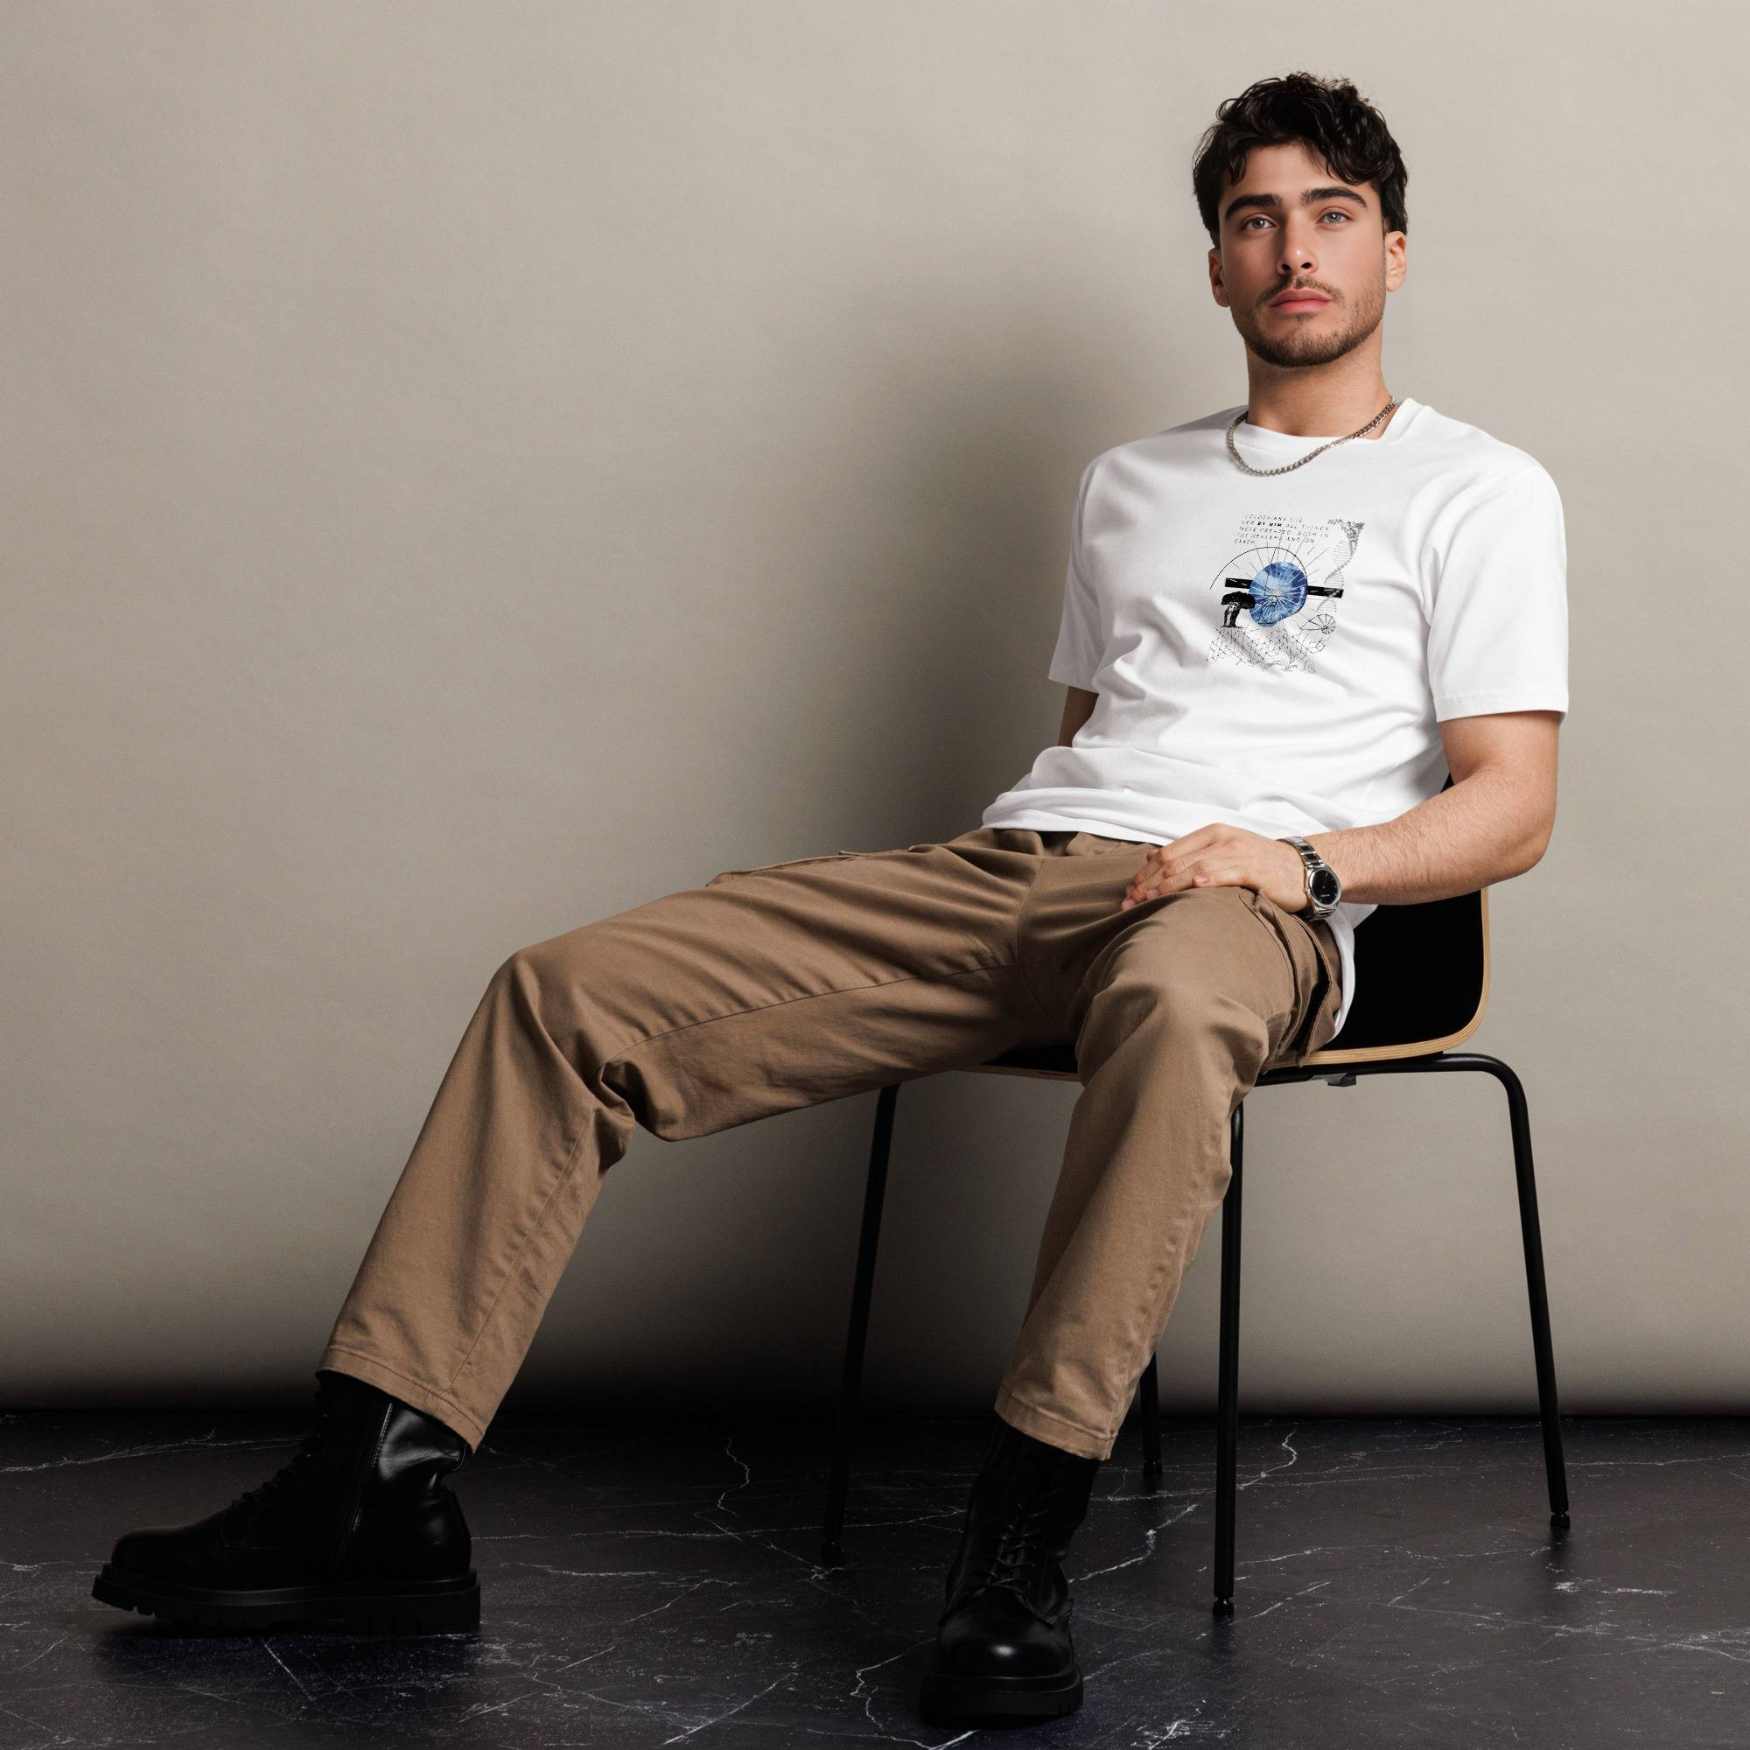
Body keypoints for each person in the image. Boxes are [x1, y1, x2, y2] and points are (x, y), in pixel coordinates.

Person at [93, 69, 1567, 1728]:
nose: (1292, 249)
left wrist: (1293, 862)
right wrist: (1039, 868)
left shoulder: (1477, 487)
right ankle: (375, 1483)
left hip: (1254, 908)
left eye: (1329, 216)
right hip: (1029, 871)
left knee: (1169, 1000)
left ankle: (1015, 1543)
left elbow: (1509, 802)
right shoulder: (1125, 486)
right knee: (564, 991)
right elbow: (1089, 742)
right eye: (1253, 219)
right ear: (1215, 266)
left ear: (1391, 251)